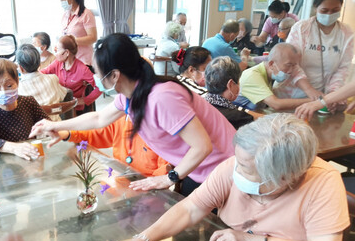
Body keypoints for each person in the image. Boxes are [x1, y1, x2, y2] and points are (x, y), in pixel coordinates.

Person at [105, 114, 349, 241]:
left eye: (244, 167)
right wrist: (143, 239)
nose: (236, 170)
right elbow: (190, 208)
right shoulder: (234, 166)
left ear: (285, 177)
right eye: (238, 160)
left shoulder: (322, 182)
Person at [30, 33, 236, 196]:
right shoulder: (131, 95)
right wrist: (55, 126)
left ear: (115, 75)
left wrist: (169, 178)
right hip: (198, 169)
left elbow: (202, 146)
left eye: (98, 72)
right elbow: (98, 118)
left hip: (225, 169)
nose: (96, 77)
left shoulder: (161, 97)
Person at [285, 0, 354, 109]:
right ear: (316, 7)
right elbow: (290, 64)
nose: (329, 14)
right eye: (324, 10)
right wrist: (310, 90)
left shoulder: (347, 34)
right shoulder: (301, 28)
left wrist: (332, 95)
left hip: (323, 99)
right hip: (292, 95)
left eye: (335, 10)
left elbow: (342, 69)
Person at [0, 58, 49, 159]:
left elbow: (48, 124)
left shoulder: (28, 102)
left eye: (9, 85)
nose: (3, 91)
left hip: (28, 157)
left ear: (17, 82)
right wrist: (12, 147)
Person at [59, 115, 170, 177]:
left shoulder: (161, 129)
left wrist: (150, 184)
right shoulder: (121, 118)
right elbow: (95, 134)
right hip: (121, 180)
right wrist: (69, 134)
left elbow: (165, 169)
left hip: (148, 189)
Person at [234, 43, 315, 111]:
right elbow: (276, 104)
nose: (291, 71)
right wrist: (313, 101)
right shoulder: (252, 76)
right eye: (288, 65)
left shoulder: (267, 76)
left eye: (294, 66)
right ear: (271, 64)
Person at [40, 35, 100, 114]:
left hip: (76, 109)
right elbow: (43, 72)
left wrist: (84, 100)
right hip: (61, 106)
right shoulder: (57, 63)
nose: (55, 53)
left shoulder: (83, 69)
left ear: (66, 53)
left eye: (57, 50)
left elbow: (100, 87)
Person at [203, 57, 260, 129]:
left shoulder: (202, 104)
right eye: (238, 82)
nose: (239, 85)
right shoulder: (237, 117)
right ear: (230, 84)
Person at [17, 44, 68, 121]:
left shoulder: (18, 88)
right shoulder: (52, 79)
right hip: (58, 127)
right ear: (40, 64)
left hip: (35, 131)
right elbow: (63, 95)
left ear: (20, 68)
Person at [59, 0, 97, 66]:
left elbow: (93, 38)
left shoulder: (86, 14)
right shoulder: (65, 15)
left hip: (83, 61)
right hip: (69, 61)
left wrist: (72, 41)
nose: (61, 1)